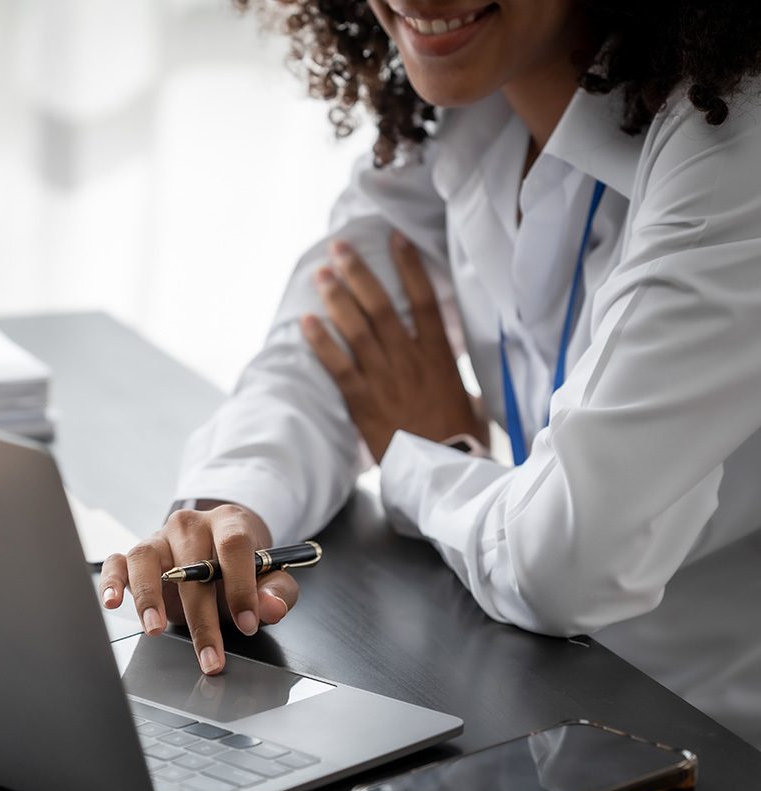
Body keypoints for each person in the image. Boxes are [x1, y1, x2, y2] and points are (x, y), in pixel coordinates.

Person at [98, 1, 761, 742]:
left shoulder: (736, 140)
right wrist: (233, 513)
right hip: (551, 708)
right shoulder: (474, 102)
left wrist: (427, 456)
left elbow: (564, 563)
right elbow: (323, 348)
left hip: (717, 757)